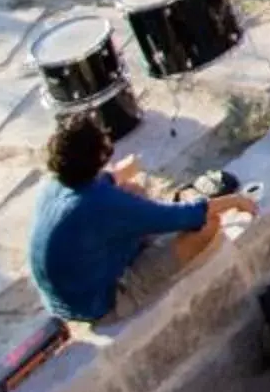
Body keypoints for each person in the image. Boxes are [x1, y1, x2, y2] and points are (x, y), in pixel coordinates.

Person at [26, 116, 256, 326]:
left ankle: (145, 235)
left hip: (68, 293)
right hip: (100, 303)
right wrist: (234, 201)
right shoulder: (100, 203)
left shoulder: (53, 185)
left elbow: (99, 186)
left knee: (131, 189)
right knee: (208, 226)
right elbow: (184, 217)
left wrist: (120, 173)